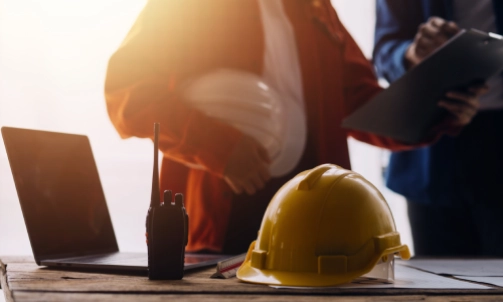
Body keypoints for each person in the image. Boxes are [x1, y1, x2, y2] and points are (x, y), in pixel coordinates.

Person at [105, 0, 484, 254]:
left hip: (315, 225)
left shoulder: (315, 8)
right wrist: (217, 147)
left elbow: (361, 105)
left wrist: (440, 111)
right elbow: (126, 95)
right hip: (222, 227)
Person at [374, 0, 503, 256]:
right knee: (440, 281)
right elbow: (383, 52)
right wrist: (411, 53)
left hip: (496, 135)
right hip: (432, 149)